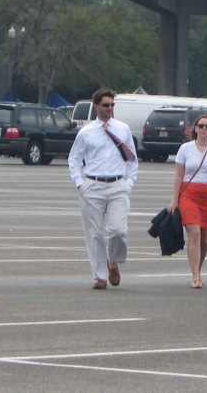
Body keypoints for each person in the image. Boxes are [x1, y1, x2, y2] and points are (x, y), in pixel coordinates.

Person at [68, 88, 139, 290]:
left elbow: (132, 159)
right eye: (106, 105)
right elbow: (74, 160)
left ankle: (113, 261)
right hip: (92, 186)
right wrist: (80, 184)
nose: (110, 108)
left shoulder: (123, 129)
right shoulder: (86, 132)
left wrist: (129, 183)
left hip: (118, 186)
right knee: (94, 234)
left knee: (118, 231)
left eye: (112, 105)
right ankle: (99, 276)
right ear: (96, 106)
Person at [167, 114, 207, 289]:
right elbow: (179, 175)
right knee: (194, 233)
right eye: (201, 126)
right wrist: (174, 199)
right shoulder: (185, 148)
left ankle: (198, 270)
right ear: (195, 128)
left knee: (205, 240)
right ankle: (195, 276)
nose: (204, 129)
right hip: (189, 194)